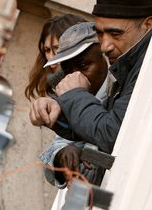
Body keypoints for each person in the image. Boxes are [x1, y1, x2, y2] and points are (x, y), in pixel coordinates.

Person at [29, 0, 152, 154]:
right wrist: (60, 113)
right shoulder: (130, 61)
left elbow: (110, 135)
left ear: (148, 24)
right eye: (100, 33)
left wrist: (74, 95)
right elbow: (108, 121)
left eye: (116, 33)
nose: (105, 46)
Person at [39, 22, 108, 187]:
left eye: (84, 66)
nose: (76, 75)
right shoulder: (66, 91)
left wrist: (83, 153)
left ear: (105, 56)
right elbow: (58, 147)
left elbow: (108, 138)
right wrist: (63, 154)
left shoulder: (118, 89)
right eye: (68, 71)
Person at [25, 14, 87, 100]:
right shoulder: (49, 86)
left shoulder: (96, 88)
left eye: (57, 49)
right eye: (47, 50)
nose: (51, 58)